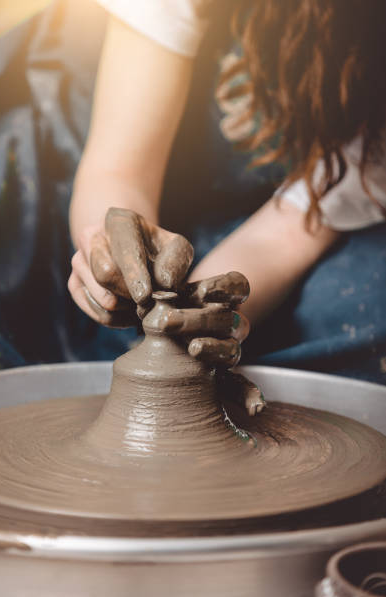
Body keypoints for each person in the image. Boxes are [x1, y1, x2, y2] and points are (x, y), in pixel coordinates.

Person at [68, 0, 386, 384]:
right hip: (138, 161)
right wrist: (108, 242)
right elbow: (117, 167)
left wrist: (207, 312)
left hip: (298, 219)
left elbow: (290, 230)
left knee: (365, 313)